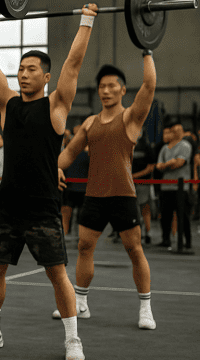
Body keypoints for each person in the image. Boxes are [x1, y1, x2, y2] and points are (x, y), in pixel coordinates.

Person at [0, 4, 98, 360]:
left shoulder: (56, 106)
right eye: (20, 69)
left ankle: (72, 339)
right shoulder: (8, 105)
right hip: (8, 205)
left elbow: (73, 64)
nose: (23, 75)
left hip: (42, 206)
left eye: (31, 69)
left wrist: (86, 21)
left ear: (46, 77)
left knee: (56, 273)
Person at [54, 60, 157, 330]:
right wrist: (53, 167)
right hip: (94, 196)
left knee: (134, 250)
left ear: (123, 90)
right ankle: (81, 303)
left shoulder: (132, 117)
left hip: (123, 195)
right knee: (84, 247)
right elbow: (69, 153)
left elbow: (149, 85)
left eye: (112, 86)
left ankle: (145, 308)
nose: (106, 91)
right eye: (102, 86)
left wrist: (146, 53)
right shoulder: (89, 122)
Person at [156, 120, 193, 249]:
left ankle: (187, 241)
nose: (176, 133)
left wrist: (167, 165)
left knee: (183, 216)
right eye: (174, 131)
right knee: (165, 215)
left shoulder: (185, 146)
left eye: (179, 131)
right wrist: (170, 163)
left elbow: (179, 163)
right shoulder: (165, 148)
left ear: (182, 132)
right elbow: (158, 166)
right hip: (166, 187)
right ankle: (165, 239)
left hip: (181, 187)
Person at [61, 143, 89, 237]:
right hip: (83, 189)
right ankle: (80, 236)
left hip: (69, 188)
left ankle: (65, 234)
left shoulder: (67, 157)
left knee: (66, 214)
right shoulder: (88, 156)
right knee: (81, 216)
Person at [132, 133, 156, 244]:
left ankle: (148, 232)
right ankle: (136, 233)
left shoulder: (146, 146)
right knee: (133, 209)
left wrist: (136, 176)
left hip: (143, 183)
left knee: (144, 207)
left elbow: (151, 167)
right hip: (129, 183)